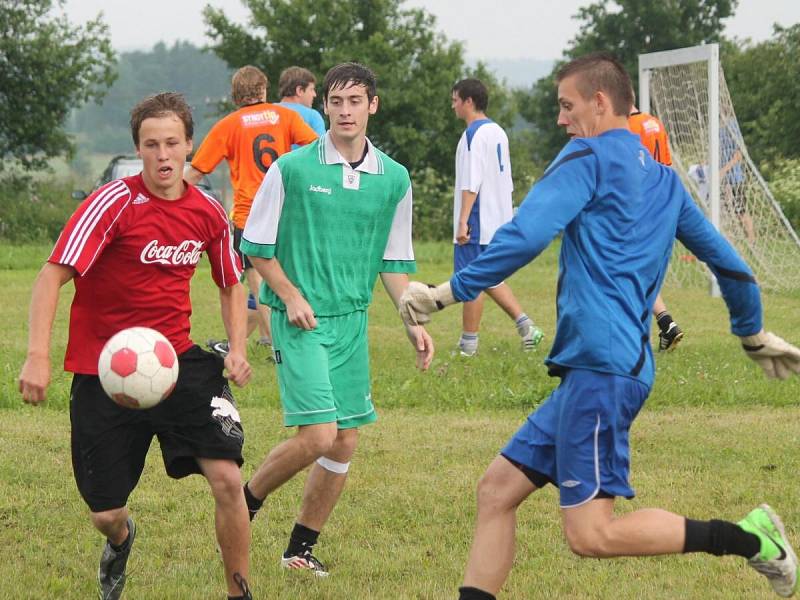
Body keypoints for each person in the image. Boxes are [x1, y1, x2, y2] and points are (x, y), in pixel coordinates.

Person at [398, 53, 800, 600]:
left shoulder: (584, 154)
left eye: (567, 105)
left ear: (601, 102)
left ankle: (753, 541)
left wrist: (445, 294)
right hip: (608, 369)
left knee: (591, 534)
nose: (562, 119)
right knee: (496, 491)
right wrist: (751, 333)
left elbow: (525, 234)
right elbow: (730, 264)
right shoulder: (665, 181)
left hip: (602, 373)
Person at [18, 92, 254, 600]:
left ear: (191, 145)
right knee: (105, 512)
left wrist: (237, 348)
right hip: (105, 371)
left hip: (177, 361)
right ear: (138, 149)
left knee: (228, 480)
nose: (163, 155)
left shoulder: (209, 211)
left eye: (173, 143)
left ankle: (240, 592)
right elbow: (50, 276)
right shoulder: (112, 203)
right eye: (151, 145)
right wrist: (38, 355)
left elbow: (232, 283)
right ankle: (122, 540)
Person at [239, 62, 433, 577]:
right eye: (336, 101)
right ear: (324, 105)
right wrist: (289, 294)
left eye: (355, 101)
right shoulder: (293, 169)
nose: (345, 111)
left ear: (373, 105)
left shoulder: (394, 179)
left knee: (345, 439)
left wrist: (411, 320)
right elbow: (256, 246)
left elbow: (393, 262)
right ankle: (242, 507)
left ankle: (299, 549)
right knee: (320, 435)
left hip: (351, 323)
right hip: (298, 319)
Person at [186, 65, 318, 351]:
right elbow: (317, 149)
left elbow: (196, 172)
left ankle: (277, 346)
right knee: (289, 275)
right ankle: (294, 334)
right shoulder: (285, 116)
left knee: (259, 282)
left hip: (251, 216)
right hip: (286, 211)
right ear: (263, 90)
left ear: (236, 95)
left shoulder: (229, 125)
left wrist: (164, 198)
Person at [450, 78, 542, 356]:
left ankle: (469, 345)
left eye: (455, 99)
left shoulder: (473, 135)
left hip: (478, 220)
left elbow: (471, 182)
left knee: (471, 279)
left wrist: (464, 219)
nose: (452, 105)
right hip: (497, 218)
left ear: (468, 101)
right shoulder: (498, 131)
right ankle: (527, 327)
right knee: (487, 277)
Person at [628, 107, 684, 351]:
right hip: (661, 203)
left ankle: (655, 327)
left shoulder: (627, 126)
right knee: (640, 271)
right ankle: (666, 324)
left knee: (629, 270)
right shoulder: (654, 122)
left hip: (640, 205)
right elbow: (666, 167)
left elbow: (630, 171)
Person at [720, 116, 756, 244]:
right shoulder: (717, 130)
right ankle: (729, 241)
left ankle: (752, 241)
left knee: (740, 212)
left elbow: (738, 156)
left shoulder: (732, 127)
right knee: (725, 213)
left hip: (735, 179)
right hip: (722, 181)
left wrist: (724, 170)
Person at [277, 66, 327, 140]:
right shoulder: (312, 116)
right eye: (312, 89)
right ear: (299, 90)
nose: (314, 95)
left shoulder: (265, 113)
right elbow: (321, 147)